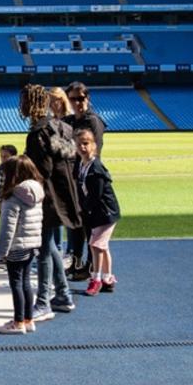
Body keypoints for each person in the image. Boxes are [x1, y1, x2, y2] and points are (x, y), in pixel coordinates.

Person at [20, 83, 81, 321]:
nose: (21, 106)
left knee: (43, 249)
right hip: (62, 195)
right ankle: (64, 295)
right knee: (51, 245)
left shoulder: (38, 133)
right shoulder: (59, 126)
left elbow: (41, 171)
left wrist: (21, 166)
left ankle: (43, 302)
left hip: (47, 197)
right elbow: (67, 156)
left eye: (24, 101)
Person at [0, 155, 45, 335]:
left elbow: (8, 228)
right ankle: (28, 319)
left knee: (16, 282)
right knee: (26, 282)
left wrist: (2, 251)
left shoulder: (12, 197)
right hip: (32, 244)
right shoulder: (36, 192)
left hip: (17, 245)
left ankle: (18, 322)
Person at [63, 81, 107, 279]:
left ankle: (91, 266)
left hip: (87, 178)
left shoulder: (93, 121)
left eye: (81, 98)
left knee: (90, 224)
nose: (78, 102)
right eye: (74, 99)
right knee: (75, 223)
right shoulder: (70, 120)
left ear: (87, 98)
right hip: (73, 178)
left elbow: (92, 152)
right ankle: (76, 260)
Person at [74, 123, 121, 297]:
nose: (82, 147)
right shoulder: (82, 165)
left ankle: (96, 279)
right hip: (97, 212)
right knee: (103, 246)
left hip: (105, 213)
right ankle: (108, 277)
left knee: (96, 245)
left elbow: (96, 194)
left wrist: (85, 208)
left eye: (86, 143)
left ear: (94, 145)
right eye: (79, 144)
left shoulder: (96, 167)